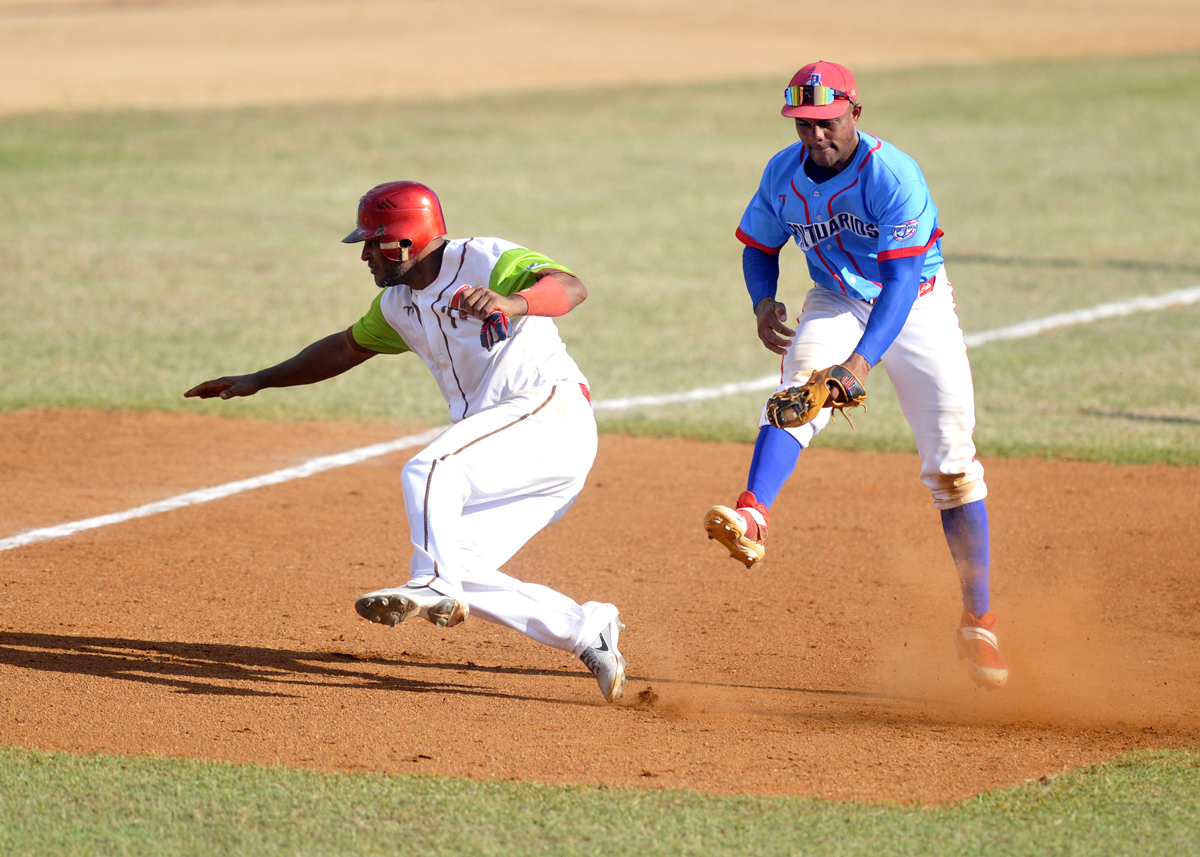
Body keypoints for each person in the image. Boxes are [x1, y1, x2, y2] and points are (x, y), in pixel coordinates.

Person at [185, 181, 627, 702]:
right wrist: (261, 378)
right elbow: (345, 347)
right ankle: (584, 629)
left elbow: (571, 287)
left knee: (431, 469)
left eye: (374, 242)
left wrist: (513, 302)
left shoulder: (485, 258)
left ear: (405, 241)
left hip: (548, 414)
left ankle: (433, 585)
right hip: (513, 452)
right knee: (460, 564)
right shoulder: (398, 305)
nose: (366, 254)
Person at [701, 61, 1007, 689]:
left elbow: (898, 282)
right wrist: (762, 303)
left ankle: (979, 618)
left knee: (951, 466)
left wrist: (857, 366)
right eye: (804, 124)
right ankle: (753, 512)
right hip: (835, 298)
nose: (816, 135)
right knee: (796, 397)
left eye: (827, 122)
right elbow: (759, 247)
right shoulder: (782, 173)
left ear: (855, 115)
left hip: (916, 303)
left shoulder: (893, 174)